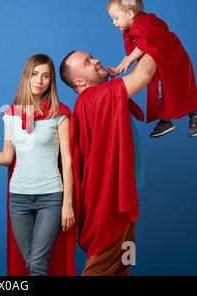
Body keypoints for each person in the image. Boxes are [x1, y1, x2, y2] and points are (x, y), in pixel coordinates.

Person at [0, 54, 80, 276]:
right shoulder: (11, 115)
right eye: (34, 74)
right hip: (19, 198)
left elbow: (67, 160)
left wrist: (67, 203)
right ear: (26, 77)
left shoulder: (59, 113)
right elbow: (6, 158)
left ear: (51, 81)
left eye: (46, 76)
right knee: (31, 264)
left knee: (38, 264)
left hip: (51, 197)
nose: (39, 80)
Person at [59, 50, 156, 275]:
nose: (96, 60)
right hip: (109, 202)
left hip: (123, 198)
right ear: (79, 81)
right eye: (87, 62)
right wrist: (152, 39)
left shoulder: (98, 96)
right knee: (101, 266)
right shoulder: (93, 97)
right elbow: (143, 75)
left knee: (122, 265)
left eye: (91, 56)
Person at [107, 0, 197, 137]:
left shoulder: (145, 23)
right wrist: (118, 69)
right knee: (162, 91)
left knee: (181, 87)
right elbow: (132, 53)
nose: (114, 22)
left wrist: (129, 61)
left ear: (129, 13)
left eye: (116, 18)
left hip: (173, 59)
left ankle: (193, 115)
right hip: (162, 62)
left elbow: (144, 44)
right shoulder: (131, 31)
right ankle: (165, 121)